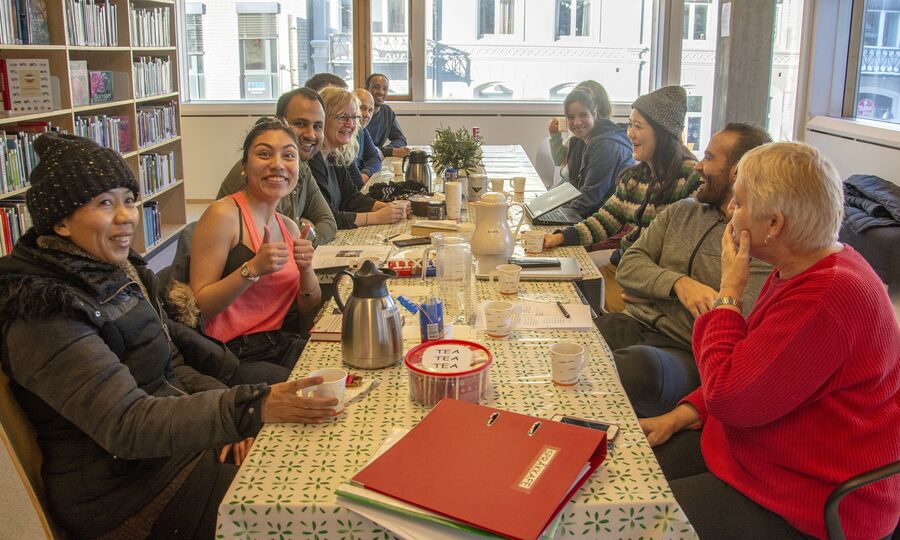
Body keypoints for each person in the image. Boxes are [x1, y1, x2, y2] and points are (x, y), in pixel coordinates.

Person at [0, 133, 341, 539]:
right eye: (105, 204)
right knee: (309, 510)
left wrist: (234, 413)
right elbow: (127, 424)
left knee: (315, 462)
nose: (127, 216)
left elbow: (172, 368)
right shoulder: (44, 311)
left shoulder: (120, 272)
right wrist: (245, 410)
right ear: (59, 221)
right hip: (126, 497)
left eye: (128, 199)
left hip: (168, 455)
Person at [640, 142, 900, 539]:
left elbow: (730, 395)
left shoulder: (825, 296)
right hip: (760, 454)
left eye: (739, 203)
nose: (730, 210)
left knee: (637, 519)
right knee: (634, 471)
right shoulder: (809, 267)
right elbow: (755, 366)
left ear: (774, 224)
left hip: (813, 499)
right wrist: (686, 413)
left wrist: (729, 292)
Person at [603, 124, 772, 418]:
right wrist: (678, 285)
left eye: (709, 158)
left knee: (630, 369)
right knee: (573, 342)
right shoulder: (683, 211)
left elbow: (739, 320)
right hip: (638, 325)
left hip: (688, 354)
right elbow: (629, 265)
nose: (699, 167)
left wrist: (652, 293)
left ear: (738, 172)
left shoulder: (755, 240)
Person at [544, 85, 701, 313]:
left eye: (638, 127)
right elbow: (605, 220)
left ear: (662, 132)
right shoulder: (637, 176)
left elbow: (685, 251)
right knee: (561, 292)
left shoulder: (691, 178)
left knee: (574, 303)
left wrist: (657, 290)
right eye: (630, 124)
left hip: (648, 284)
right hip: (624, 267)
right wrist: (559, 237)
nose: (630, 133)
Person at [193, 118, 323, 381]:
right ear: (244, 167)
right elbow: (199, 306)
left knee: (344, 369)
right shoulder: (224, 214)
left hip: (279, 343)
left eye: (288, 155)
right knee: (310, 393)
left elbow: (309, 306)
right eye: (264, 154)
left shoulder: (288, 226)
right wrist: (252, 269)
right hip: (233, 353)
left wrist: (306, 268)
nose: (278, 164)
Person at [218, 87, 337, 246]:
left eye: (317, 126)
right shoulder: (256, 174)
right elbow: (271, 241)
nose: (310, 134)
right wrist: (301, 234)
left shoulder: (300, 167)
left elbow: (328, 221)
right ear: (278, 122)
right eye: (300, 123)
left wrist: (302, 240)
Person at [311, 87, 406, 229]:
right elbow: (327, 218)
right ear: (322, 118)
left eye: (354, 117)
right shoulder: (313, 161)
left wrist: (388, 207)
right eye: (342, 117)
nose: (350, 124)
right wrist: (376, 217)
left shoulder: (335, 155)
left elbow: (351, 198)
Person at [557, 85, 634, 218]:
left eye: (583, 115)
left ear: (594, 113)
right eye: (571, 117)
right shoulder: (583, 140)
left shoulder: (605, 146)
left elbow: (590, 200)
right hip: (596, 215)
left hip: (607, 222)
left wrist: (557, 214)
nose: (576, 122)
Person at [365, 73, 409, 158]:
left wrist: (385, 150)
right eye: (376, 87)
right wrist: (389, 152)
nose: (381, 92)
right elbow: (359, 149)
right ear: (367, 89)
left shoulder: (387, 112)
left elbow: (400, 139)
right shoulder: (356, 113)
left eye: (385, 89)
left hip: (375, 159)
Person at [353, 88, 383, 185]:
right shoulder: (343, 135)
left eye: (370, 110)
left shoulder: (362, 131)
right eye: (362, 108)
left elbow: (375, 157)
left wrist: (365, 174)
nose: (367, 115)